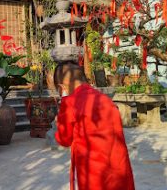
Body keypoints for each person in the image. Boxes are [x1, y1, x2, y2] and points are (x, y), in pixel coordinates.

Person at [54, 61, 135, 190]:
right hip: (119, 169)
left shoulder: (70, 103)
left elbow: (64, 139)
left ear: (62, 87)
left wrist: (62, 107)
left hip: (93, 175)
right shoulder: (106, 100)